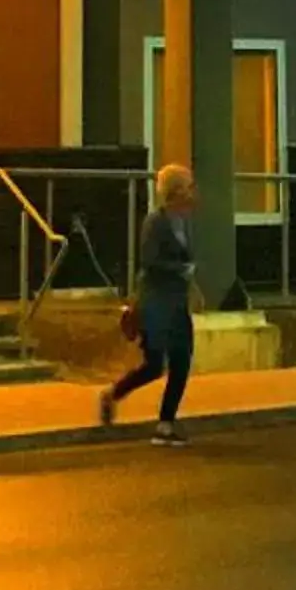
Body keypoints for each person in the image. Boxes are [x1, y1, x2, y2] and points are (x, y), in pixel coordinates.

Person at [99, 163, 199, 446]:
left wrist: (191, 285)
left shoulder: (185, 220)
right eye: (189, 186)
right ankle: (113, 393)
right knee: (155, 365)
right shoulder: (156, 222)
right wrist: (180, 270)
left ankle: (166, 423)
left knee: (181, 360)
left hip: (177, 302)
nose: (193, 191)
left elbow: (185, 259)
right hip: (156, 302)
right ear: (176, 190)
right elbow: (150, 262)